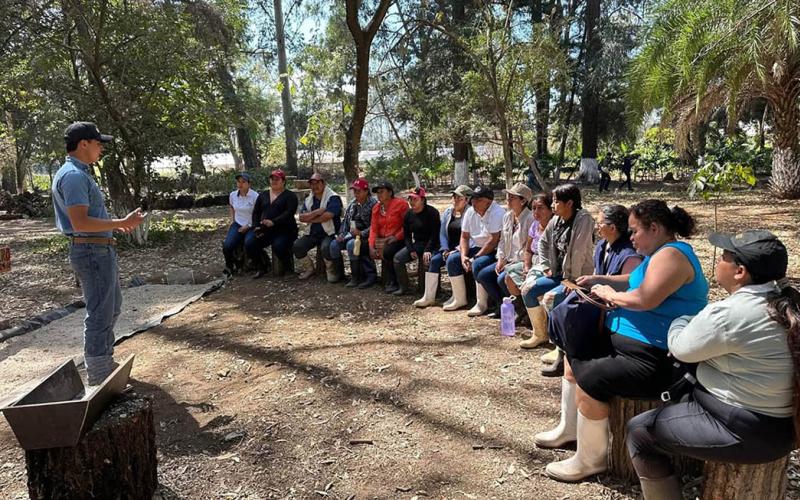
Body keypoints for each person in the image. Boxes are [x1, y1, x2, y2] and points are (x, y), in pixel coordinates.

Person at [538, 199, 708, 483]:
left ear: (654, 228)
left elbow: (644, 298)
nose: (630, 238)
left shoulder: (673, 256)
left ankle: (591, 459)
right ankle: (569, 429)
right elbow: (635, 279)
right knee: (573, 350)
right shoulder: (659, 255)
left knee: (592, 377)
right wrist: (598, 278)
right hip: (633, 346)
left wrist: (608, 293)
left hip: (656, 357)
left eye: (634, 231)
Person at [626, 230, 797, 499]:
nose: (717, 261)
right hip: (783, 426)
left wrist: (680, 321)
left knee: (639, 432)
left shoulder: (733, 313)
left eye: (724, 257)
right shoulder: (786, 302)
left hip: (745, 429)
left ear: (739, 271)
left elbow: (681, 347)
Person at [51, 122, 145, 385]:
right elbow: (80, 223)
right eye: (98, 143)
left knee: (111, 307)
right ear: (84, 144)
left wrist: (117, 226)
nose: (101, 147)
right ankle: (100, 373)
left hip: (98, 248)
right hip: (91, 250)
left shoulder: (79, 173)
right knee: (100, 312)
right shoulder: (73, 176)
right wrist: (119, 223)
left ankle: (104, 361)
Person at [519, 183, 594, 354]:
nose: (552, 205)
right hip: (559, 274)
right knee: (528, 289)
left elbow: (578, 252)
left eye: (555, 202)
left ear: (569, 203)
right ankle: (540, 334)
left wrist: (572, 281)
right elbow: (543, 243)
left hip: (578, 277)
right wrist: (546, 265)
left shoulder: (584, 220)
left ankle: (560, 345)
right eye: (552, 201)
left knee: (551, 298)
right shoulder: (556, 220)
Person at [442, 185, 505, 313]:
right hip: (475, 247)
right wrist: (464, 256)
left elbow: (493, 241)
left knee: (477, 263)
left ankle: (481, 303)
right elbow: (464, 236)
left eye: (478, 199)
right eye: (473, 199)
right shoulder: (471, 211)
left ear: (488, 201)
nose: (473, 202)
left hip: (493, 250)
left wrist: (475, 257)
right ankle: (459, 299)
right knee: (453, 259)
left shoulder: (498, 212)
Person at [475, 183, 534, 318]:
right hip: (507, 259)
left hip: (520, 261)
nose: (508, 199)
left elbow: (528, 248)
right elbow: (502, 241)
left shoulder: (530, 219)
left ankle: (520, 308)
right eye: (508, 196)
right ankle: (500, 304)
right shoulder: (507, 216)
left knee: (502, 278)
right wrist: (501, 258)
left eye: (512, 197)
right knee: (484, 275)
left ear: (523, 200)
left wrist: (511, 264)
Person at [414, 184, 473, 308]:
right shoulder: (448, 212)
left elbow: (470, 237)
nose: (455, 200)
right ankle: (429, 297)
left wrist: (456, 250)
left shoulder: (471, 213)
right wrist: (445, 248)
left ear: (467, 200)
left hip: (464, 249)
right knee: (434, 261)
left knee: (451, 260)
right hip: (448, 249)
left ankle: (458, 297)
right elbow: (442, 234)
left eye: (459, 198)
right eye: (454, 197)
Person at [503, 192, 554, 326]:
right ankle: (523, 310)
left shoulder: (554, 227)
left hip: (548, 265)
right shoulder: (535, 225)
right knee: (509, 276)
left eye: (541, 208)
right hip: (533, 262)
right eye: (534, 208)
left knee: (531, 285)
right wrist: (526, 267)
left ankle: (541, 322)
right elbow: (528, 249)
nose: (536, 212)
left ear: (550, 209)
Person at [246, 169, 298, 278]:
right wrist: (256, 226)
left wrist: (273, 222)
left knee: (278, 246)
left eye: (277, 179)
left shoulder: (290, 196)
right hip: (265, 229)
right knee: (250, 242)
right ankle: (262, 267)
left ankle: (288, 269)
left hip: (285, 230)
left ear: (283, 181)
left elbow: (289, 213)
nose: (274, 181)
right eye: (272, 179)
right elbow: (256, 212)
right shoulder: (263, 195)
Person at [293, 172, 343, 281]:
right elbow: (301, 217)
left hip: (330, 233)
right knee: (298, 246)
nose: (314, 186)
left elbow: (328, 216)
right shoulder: (309, 198)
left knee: (326, 247)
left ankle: (331, 270)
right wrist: (317, 212)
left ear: (323, 183)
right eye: (312, 183)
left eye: (317, 183)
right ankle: (309, 269)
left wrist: (310, 218)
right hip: (312, 233)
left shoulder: (333, 197)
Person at [330, 178, 378, 288]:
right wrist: (341, 233)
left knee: (351, 245)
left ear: (366, 191)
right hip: (351, 233)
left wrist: (361, 233)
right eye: (354, 191)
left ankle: (356, 277)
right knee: (333, 245)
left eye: (359, 191)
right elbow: (346, 221)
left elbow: (375, 225)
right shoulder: (352, 204)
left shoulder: (374, 204)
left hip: (366, 235)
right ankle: (339, 275)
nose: (356, 194)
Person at [392, 187, 440, 296]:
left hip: (432, 245)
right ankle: (404, 287)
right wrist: (410, 249)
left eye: (415, 199)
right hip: (418, 244)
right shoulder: (408, 214)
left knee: (426, 261)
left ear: (422, 200)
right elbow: (407, 235)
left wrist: (428, 249)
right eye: (410, 199)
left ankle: (428, 290)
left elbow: (435, 234)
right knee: (398, 258)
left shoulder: (432, 213)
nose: (411, 202)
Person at [368, 181, 409, 293]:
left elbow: (408, 225)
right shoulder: (376, 208)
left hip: (400, 239)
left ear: (390, 192)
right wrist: (371, 245)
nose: (379, 195)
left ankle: (393, 281)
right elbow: (373, 228)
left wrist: (396, 237)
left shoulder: (401, 204)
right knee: (363, 248)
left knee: (388, 250)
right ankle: (368, 277)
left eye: (382, 192)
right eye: (377, 193)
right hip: (383, 240)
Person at [222, 172, 259, 275]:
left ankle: (257, 264)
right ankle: (229, 266)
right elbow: (232, 207)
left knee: (249, 243)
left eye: (243, 182)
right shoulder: (233, 195)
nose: (240, 184)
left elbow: (258, 214)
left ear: (249, 184)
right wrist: (233, 220)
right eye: (238, 182)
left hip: (251, 224)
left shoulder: (255, 196)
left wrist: (248, 225)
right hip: (238, 223)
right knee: (227, 245)